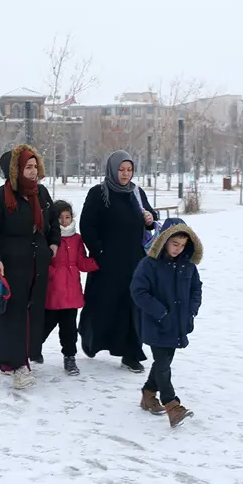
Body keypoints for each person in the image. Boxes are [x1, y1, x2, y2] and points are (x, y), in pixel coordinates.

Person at [0, 144, 60, 389]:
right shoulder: (0, 197)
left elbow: (53, 221)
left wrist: (53, 243)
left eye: (35, 166)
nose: (33, 171)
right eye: (28, 167)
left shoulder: (41, 194)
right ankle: (17, 364)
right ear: (16, 170)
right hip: (10, 266)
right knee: (11, 315)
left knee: (33, 315)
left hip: (37, 264)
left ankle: (22, 357)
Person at [79, 150, 158, 373]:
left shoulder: (136, 193)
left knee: (133, 305)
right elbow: (87, 225)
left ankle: (131, 353)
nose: (125, 174)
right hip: (108, 262)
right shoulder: (99, 193)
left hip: (135, 261)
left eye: (129, 170)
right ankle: (91, 338)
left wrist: (151, 219)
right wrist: (99, 251)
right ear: (113, 169)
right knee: (103, 304)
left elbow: (149, 217)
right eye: (121, 170)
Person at [130, 217, 203, 428]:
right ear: (163, 240)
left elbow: (196, 289)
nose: (178, 249)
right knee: (163, 364)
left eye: (183, 245)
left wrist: (191, 310)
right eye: (174, 244)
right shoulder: (149, 264)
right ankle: (172, 405)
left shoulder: (188, 266)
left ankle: (148, 394)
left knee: (164, 362)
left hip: (179, 323)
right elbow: (138, 291)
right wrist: (160, 312)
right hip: (156, 323)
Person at [43, 200, 98, 376]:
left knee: (69, 330)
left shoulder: (77, 239)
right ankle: (30, 351)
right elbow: (43, 261)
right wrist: (52, 273)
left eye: (67, 217)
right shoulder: (49, 237)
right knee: (43, 327)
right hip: (53, 293)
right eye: (60, 218)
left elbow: (81, 262)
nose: (64, 221)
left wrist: (98, 262)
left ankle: (69, 357)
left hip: (71, 294)